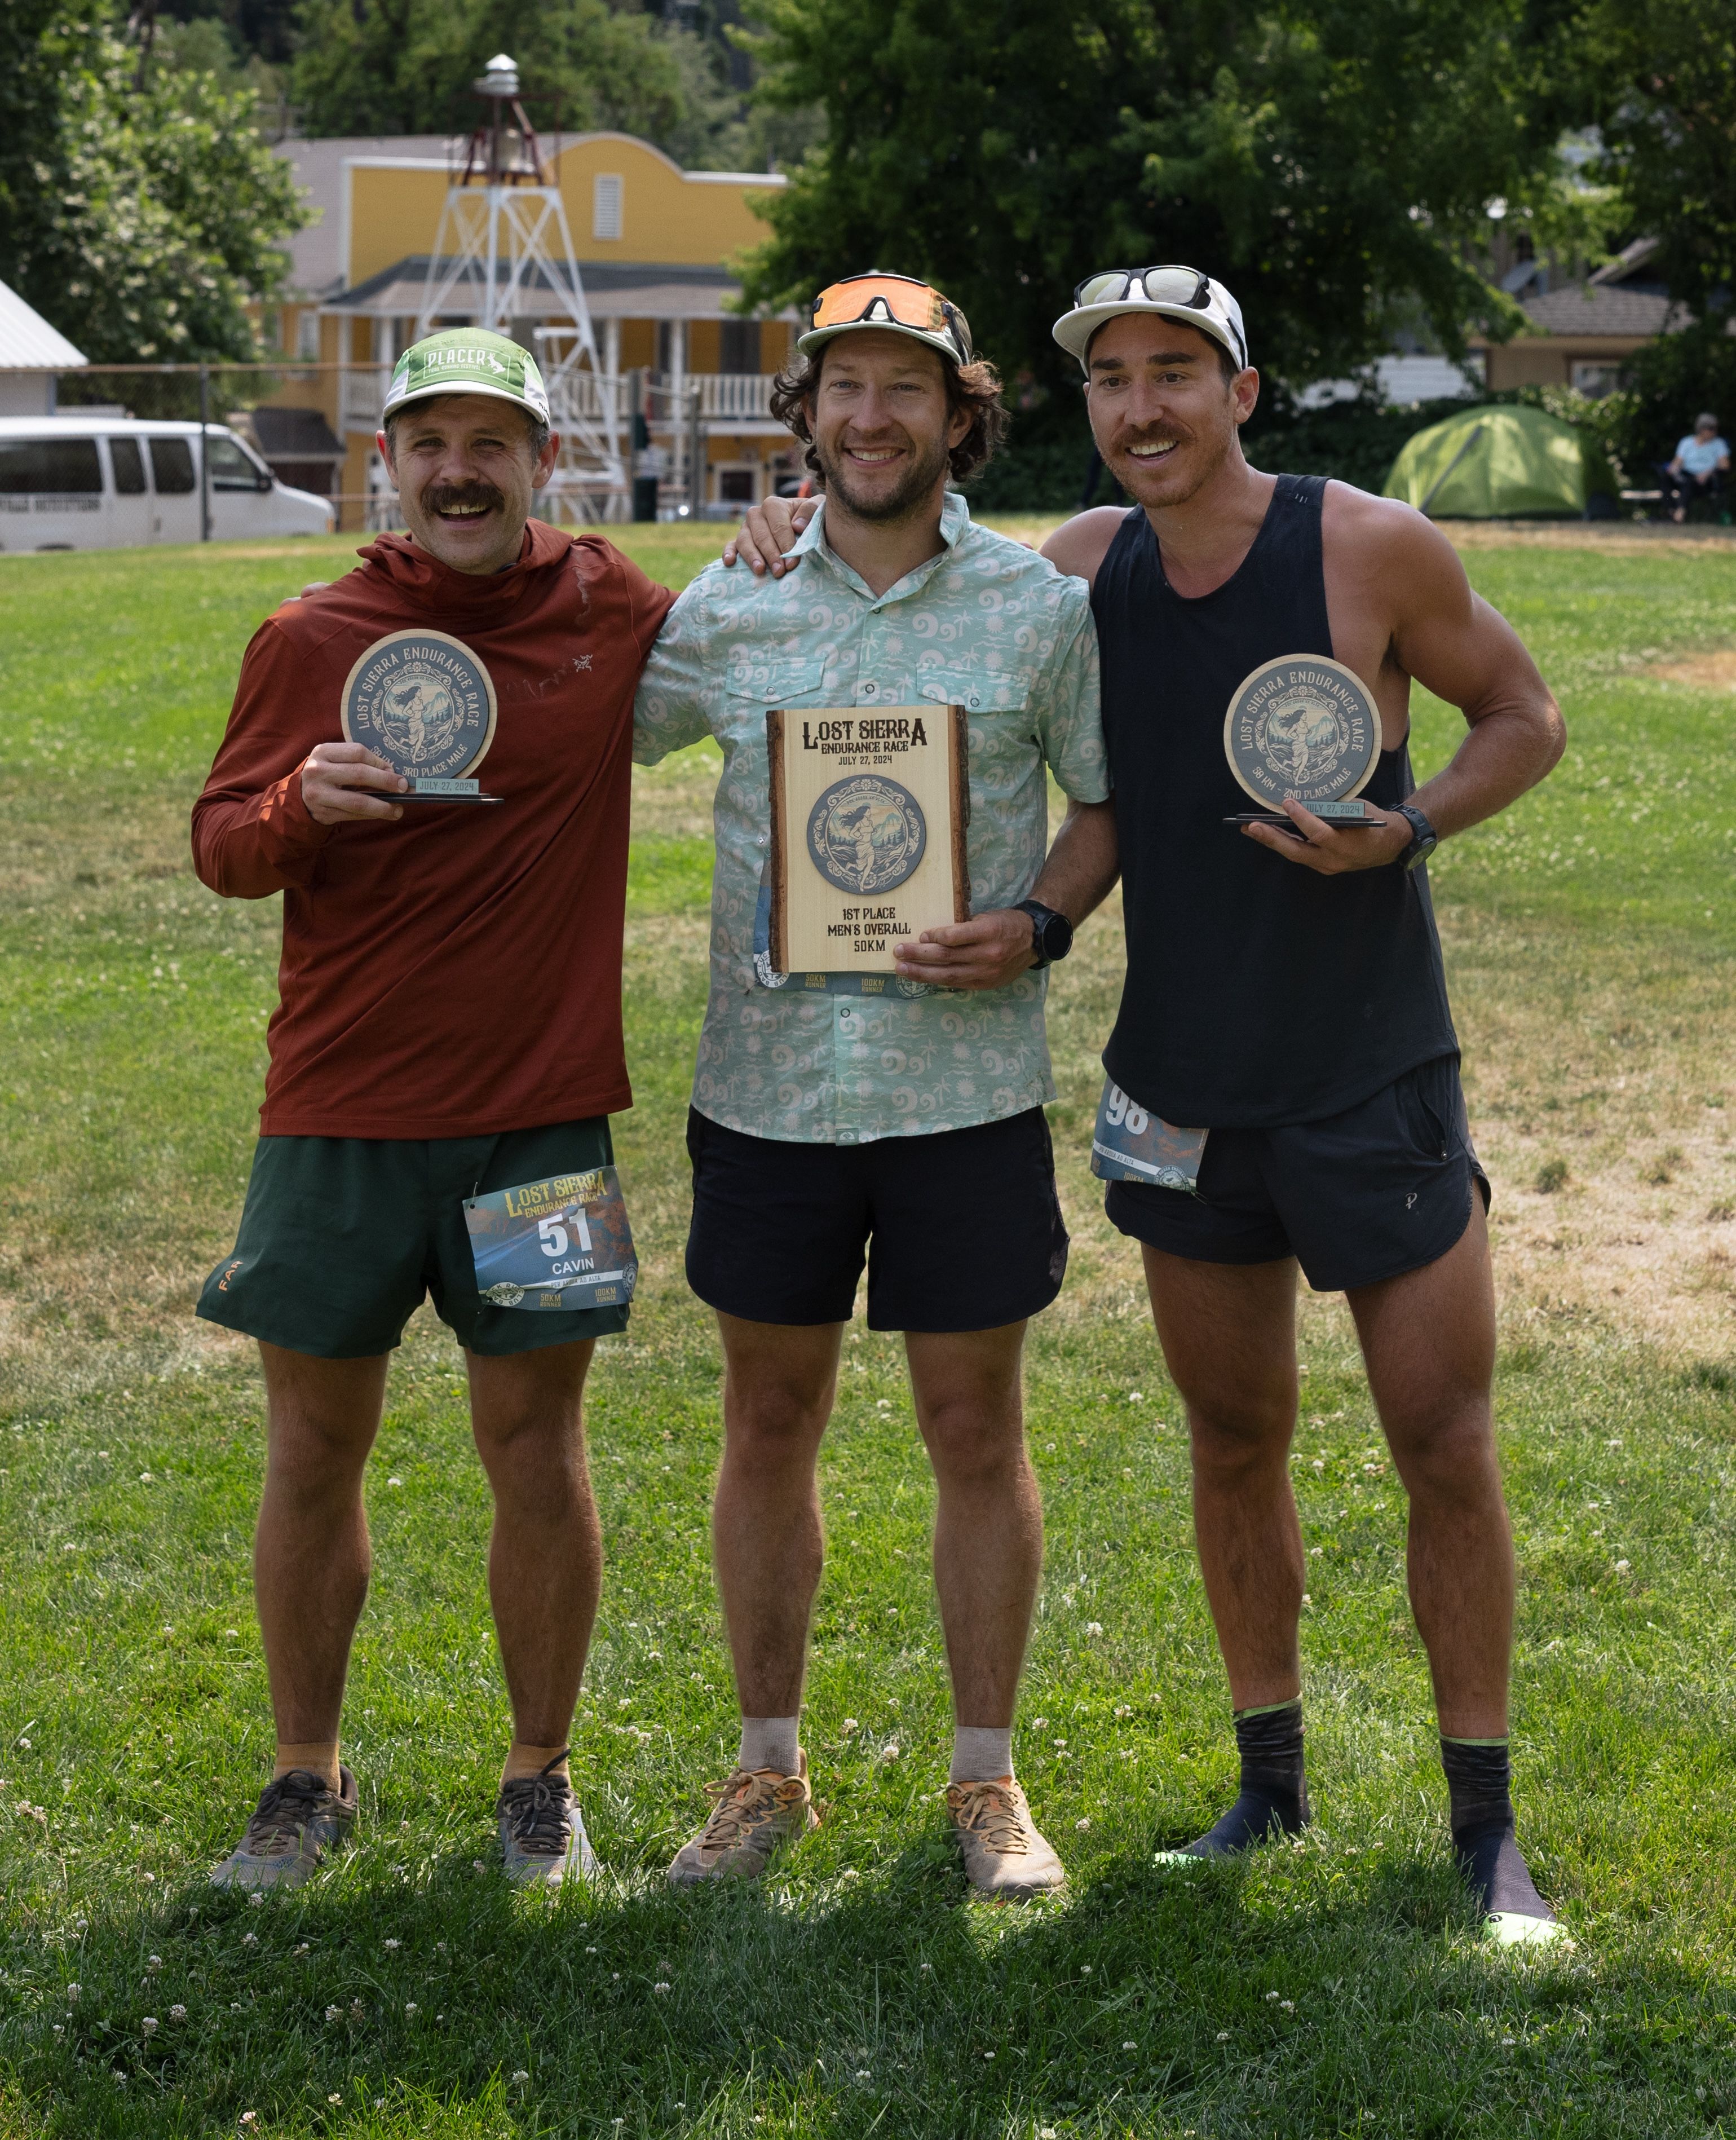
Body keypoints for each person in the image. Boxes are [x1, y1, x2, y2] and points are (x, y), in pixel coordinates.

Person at [1023, 267, 1567, 1944]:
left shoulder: (1368, 546)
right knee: (1234, 1436)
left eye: (1175, 370)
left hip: (1368, 1072)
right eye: (1111, 378)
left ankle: (1485, 1830)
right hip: (1181, 1085)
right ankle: (1271, 1784)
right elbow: (903, 613)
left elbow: (1524, 716)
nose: (1141, 406)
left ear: (1242, 391)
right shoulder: (1074, 573)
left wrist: (1406, 828)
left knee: (1440, 1442)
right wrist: (771, 538)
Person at [633, 271, 1113, 1897]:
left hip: (960, 1087)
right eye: (840, 387)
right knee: (766, 1417)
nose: (867, 415)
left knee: (973, 1424)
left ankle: (987, 1782)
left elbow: (1103, 802)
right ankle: (766, 1768)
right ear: (805, 417)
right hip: (764, 1086)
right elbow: (589, 730)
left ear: (954, 412)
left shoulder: (1036, 609)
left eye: (902, 388)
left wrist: (1038, 921)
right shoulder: (728, 606)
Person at [191, 329, 675, 1889]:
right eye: (428, 443)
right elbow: (217, 845)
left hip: (538, 1124)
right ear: (384, 466)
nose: (459, 471)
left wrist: (769, 529)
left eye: (492, 442)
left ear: (545, 462)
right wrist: (288, 809)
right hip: (333, 1121)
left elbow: (774, 634)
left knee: (536, 1446)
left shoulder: (609, 610)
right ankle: (302, 1775)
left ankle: (537, 1775)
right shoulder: (309, 630)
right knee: (312, 1444)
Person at [1660, 412, 1730, 523]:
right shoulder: (1687, 442)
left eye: (1716, 428)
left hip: (1706, 481)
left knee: (1690, 482)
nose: (1715, 431)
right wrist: (1672, 470)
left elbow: (1725, 466)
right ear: (1701, 429)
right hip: (1686, 476)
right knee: (1666, 478)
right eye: (1711, 428)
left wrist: (1708, 473)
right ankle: (1672, 511)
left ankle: (1680, 514)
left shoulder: (1719, 444)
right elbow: (1677, 462)